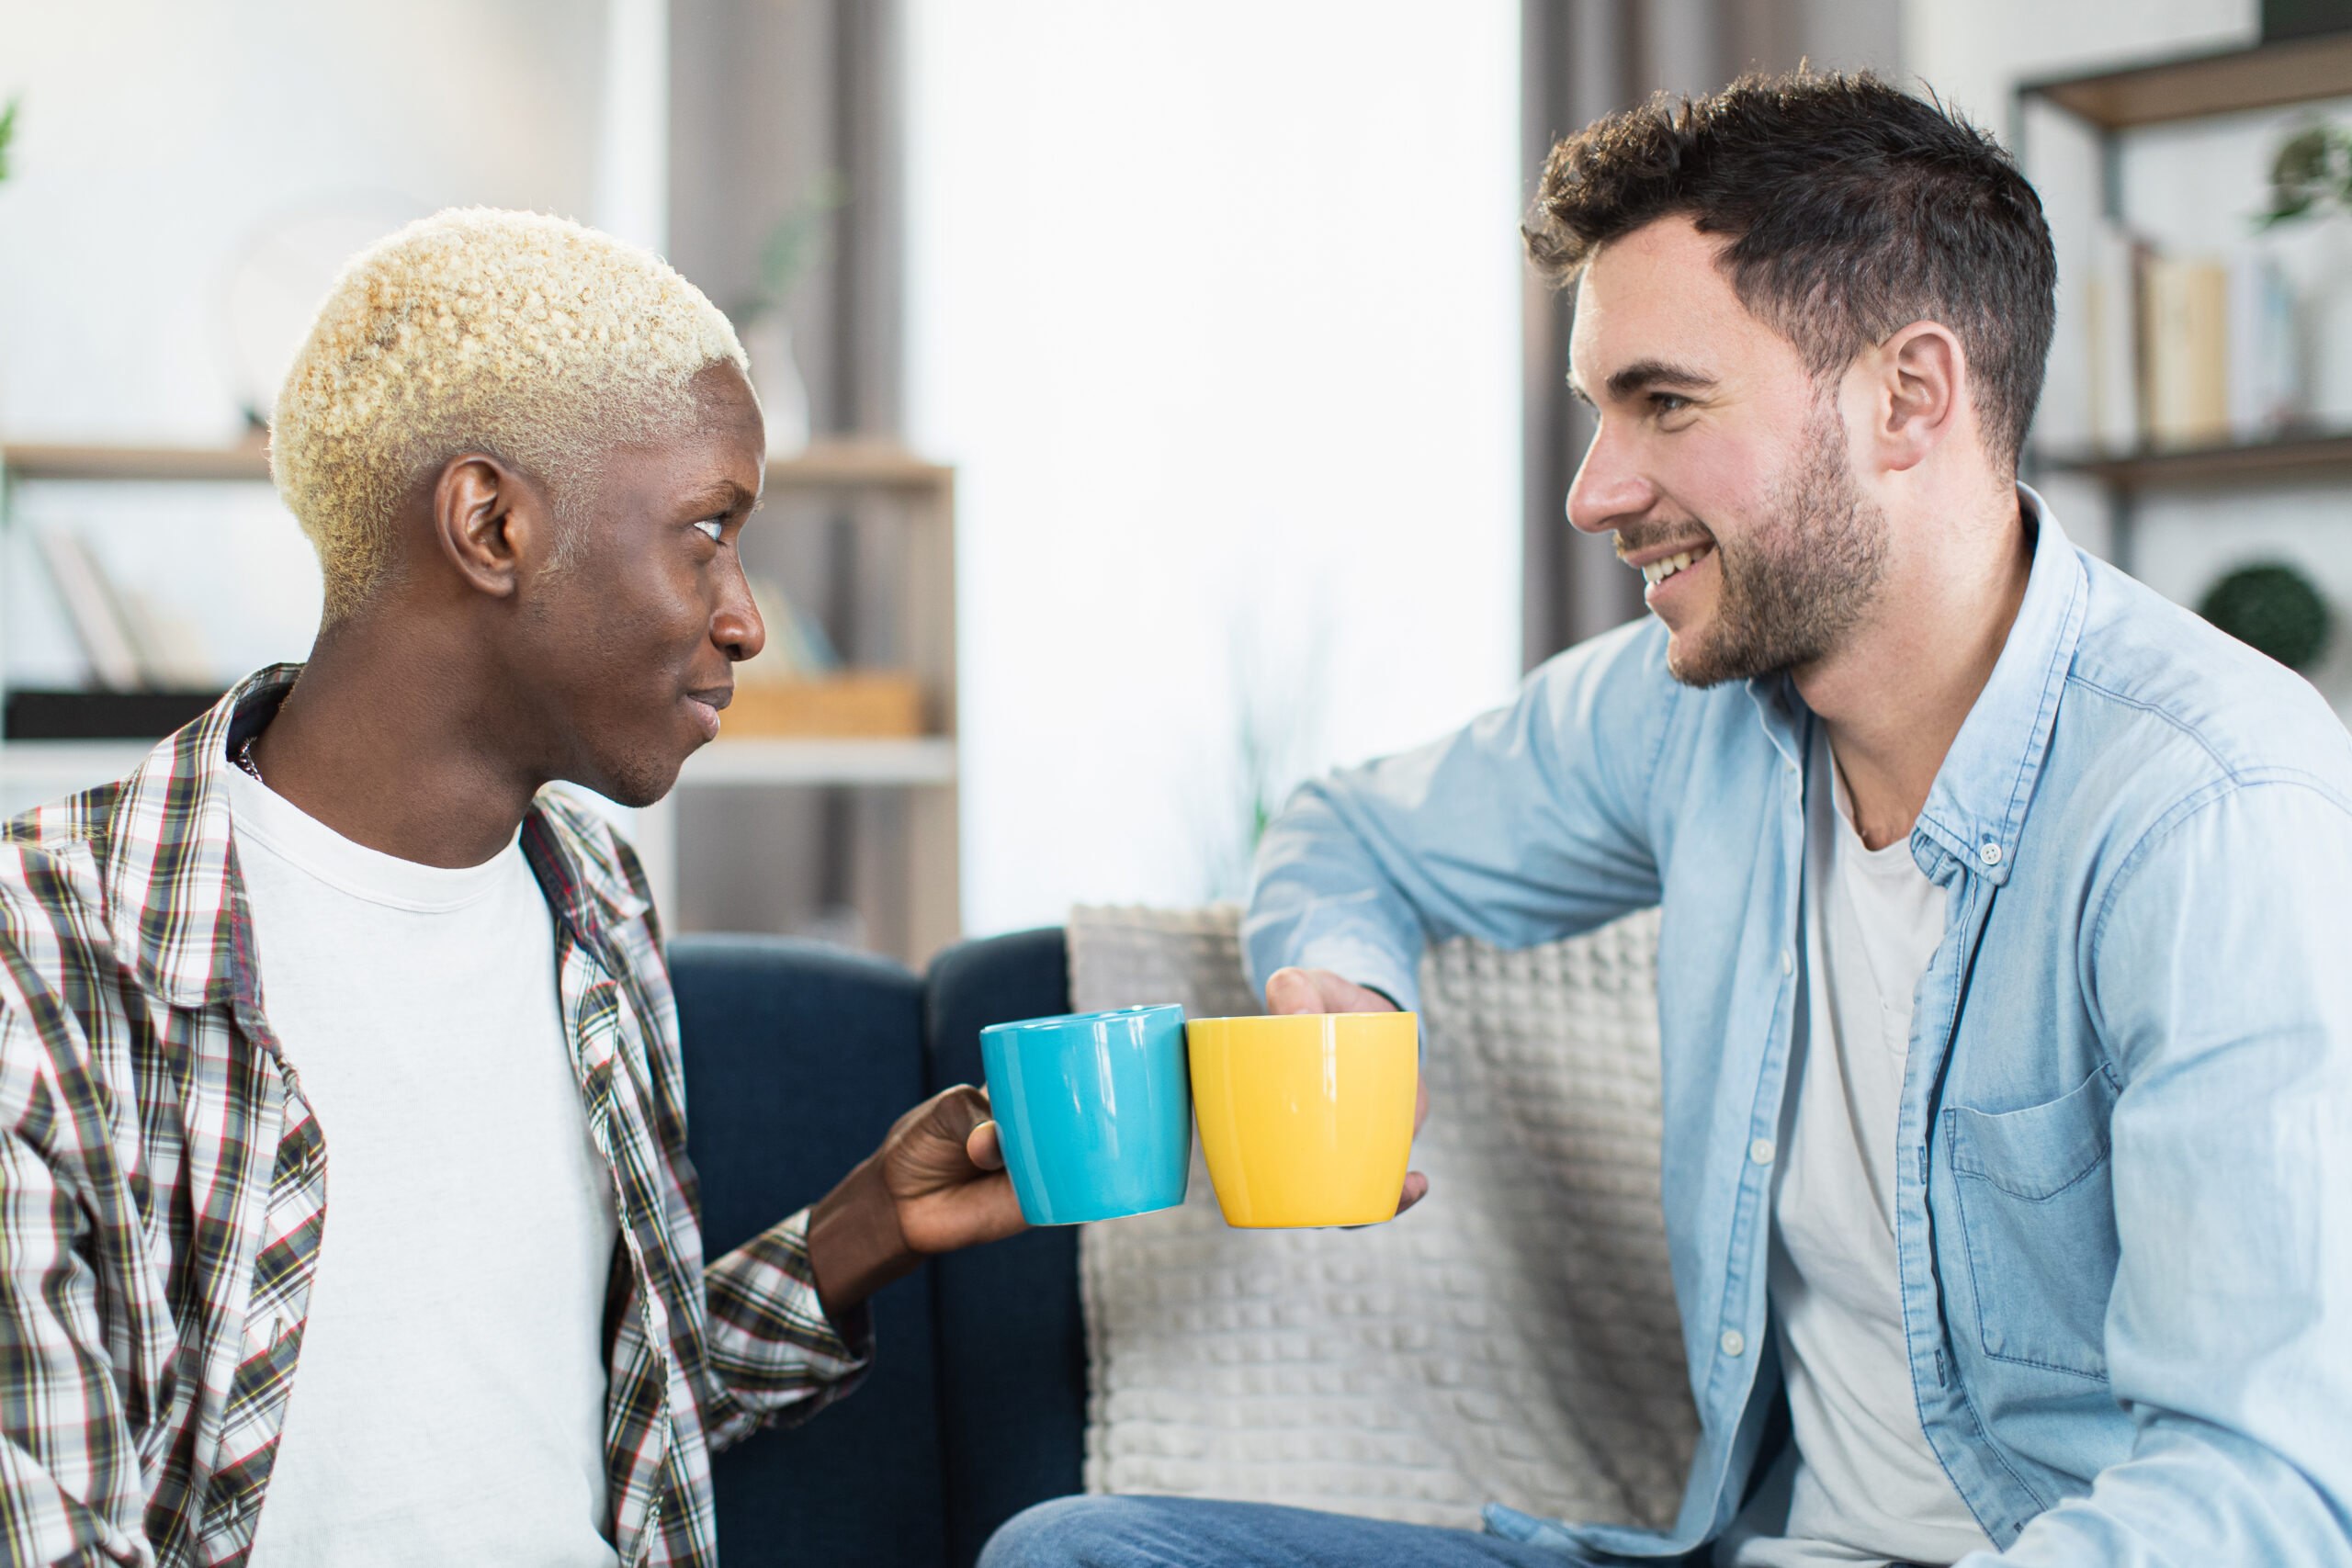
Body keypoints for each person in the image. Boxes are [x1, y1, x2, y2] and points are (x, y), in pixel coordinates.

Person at [985, 71, 2352, 1568]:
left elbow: (2261, 1499)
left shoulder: (2213, 812)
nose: (1593, 492)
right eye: (1597, 411)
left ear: (1911, 397)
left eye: (1666, 405)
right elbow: (1349, 833)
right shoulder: (1683, 714)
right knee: (1077, 1555)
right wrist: (1348, 984)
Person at [0, 208, 1024, 1567]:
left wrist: (859, 1233)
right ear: (491, 524)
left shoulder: (592, 900)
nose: (748, 617)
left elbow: (557, 1417)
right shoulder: (53, 950)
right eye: (707, 530)